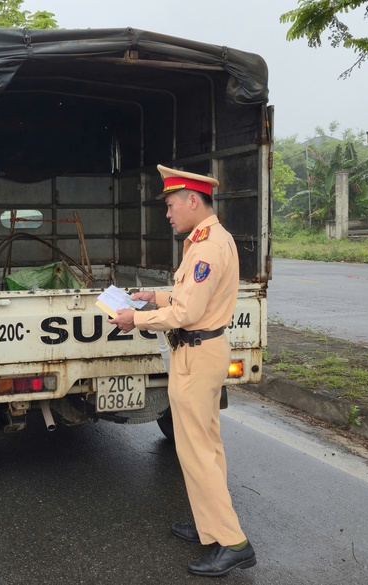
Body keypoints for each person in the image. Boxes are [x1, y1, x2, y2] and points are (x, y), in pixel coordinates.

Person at [109, 165, 256, 578]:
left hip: (196, 353)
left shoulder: (207, 247)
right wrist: (154, 296)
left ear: (193, 200)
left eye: (172, 205)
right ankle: (210, 524)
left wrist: (136, 319)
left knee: (196, 452)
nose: (168, 213)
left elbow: (187, 312)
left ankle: (233, 543)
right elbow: (190, 295)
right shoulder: (209, 240)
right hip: (202, 350)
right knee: (207, 445)